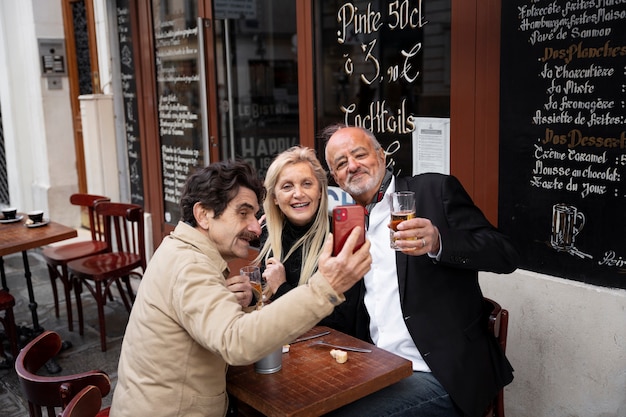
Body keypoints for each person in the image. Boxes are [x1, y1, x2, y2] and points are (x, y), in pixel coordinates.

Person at [109, 160, 371, 417]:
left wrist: (240, 306)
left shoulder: (178, 249)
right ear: (203, 215)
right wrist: (324, 288)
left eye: (256, 215)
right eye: (243, 213)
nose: (257, 228)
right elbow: (236, 342)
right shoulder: (190, 265)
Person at [322, 124, 520, 417]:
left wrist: (440, 241)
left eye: (359, 154)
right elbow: (347, 313)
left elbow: (506, 254)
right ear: (336, 177)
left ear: (381, 155)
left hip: (440, 375)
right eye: (340, 163)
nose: (352, 166)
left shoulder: (432, 190)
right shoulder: (347, 226)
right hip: (377, 368)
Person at [255, 146, 362, 334]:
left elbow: (341, 320)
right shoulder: (269, 233)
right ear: (275, 198)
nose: (298, 194)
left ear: (320, 191)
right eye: (287, 186)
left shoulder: (340, 239)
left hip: (333, 353)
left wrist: (281, 288)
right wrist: (250, 296)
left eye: (307, 184)